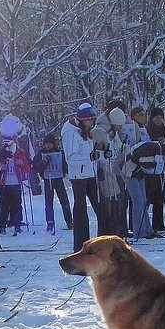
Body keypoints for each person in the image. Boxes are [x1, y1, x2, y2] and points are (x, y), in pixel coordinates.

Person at [60, 103, 100, 251]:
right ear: (82, 119)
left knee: (99, 206)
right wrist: (90, 157)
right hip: (79, 176)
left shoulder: (85, 130)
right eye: (89, 120)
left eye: (92, 120)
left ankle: (101, 240)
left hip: (89, 173)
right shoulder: (71, 132)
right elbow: (70, 158)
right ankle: (80, 244)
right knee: (81, 209)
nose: (91, 122)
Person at [0, 134, 32, 236]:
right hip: (3, 183)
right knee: (3, 206)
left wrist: (22, 163)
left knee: (17, 205)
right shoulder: (0, 153)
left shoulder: (19, 152)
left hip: (16, 183)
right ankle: (2, 226)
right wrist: (0, 168)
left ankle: (17, 225)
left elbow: (27, 168)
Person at [33, 135, 73, 234]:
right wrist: (44, 162)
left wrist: (66, 171)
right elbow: (36, 167)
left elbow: (66, 164)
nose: (48, 146)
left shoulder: (60, 153)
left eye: (50, 144)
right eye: (46, 144)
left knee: (64, 202)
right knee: (48, 203)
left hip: (58, 179)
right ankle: (50, 222)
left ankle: (69, 221)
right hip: (48, 180)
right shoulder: (41, 154)